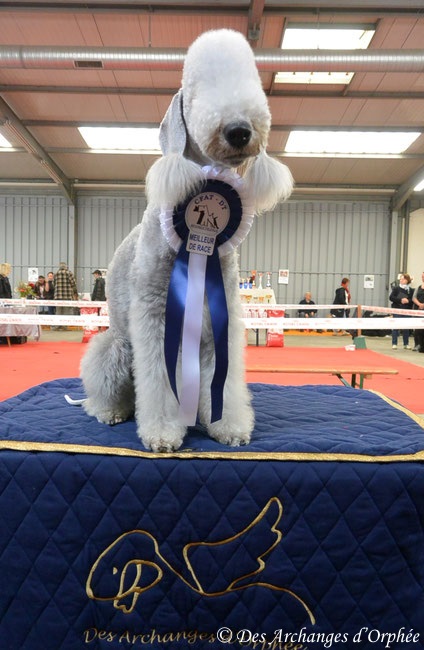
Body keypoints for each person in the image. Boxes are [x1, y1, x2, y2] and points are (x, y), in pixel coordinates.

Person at [389, 273, 413, 350]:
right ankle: (394, 343)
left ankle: (406, 343)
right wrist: (400, 300)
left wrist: (407, 301)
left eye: (403, 279)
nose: (401, 280)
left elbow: (412, 300)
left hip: (406, 310)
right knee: (395, 327)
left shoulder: (410, 290)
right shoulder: (396, 288)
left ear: (407, 280)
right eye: (400, 279)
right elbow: (391, 297)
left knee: (406, 328)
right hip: (397, 309)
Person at [53, 262, 78, 329]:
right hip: (67, 295)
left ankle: (57, 326)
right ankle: (64, 326)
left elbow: (54, 284)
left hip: (58, 295)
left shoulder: (56, 274)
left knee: (58, 311)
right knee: (66, 311)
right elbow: (73, 283)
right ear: (66, 266)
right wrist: (74, 292)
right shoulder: (69, 273)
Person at [412, 271, 424, 353]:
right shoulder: (418, 287)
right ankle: (417, 344)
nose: (423, 278)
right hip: (417, 310)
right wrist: (419, 304)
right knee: (417, 329)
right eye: (422, 276)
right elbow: (414, 297)